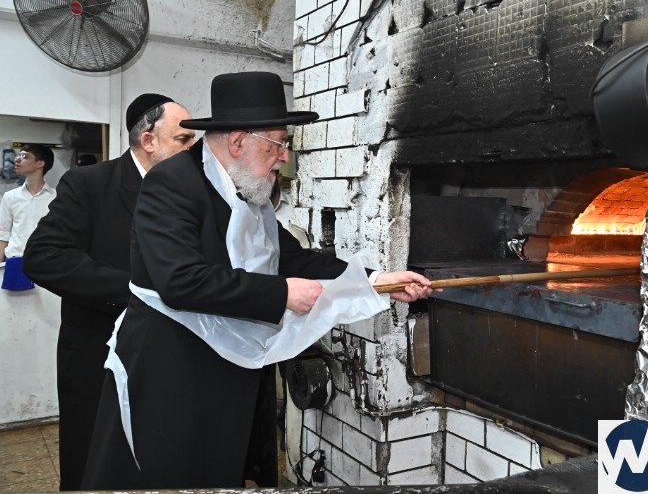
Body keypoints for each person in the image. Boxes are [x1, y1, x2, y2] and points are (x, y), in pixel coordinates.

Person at [81, 71, 434, 490]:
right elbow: (179, 280)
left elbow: (292, 258)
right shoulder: (171, 183)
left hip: (226, 364)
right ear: (238, 142)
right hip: (168, 366)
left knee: (216, 468)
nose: (284, 156)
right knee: (165, 471)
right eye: (278, 143)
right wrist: (282, 293)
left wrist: (376, 280)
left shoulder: (249, 189)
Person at [23, 94, 195, 491]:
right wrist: (137, 291)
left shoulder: (189, 191)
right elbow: (45, 257)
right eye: (183, 139)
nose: (193, 149)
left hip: (168, 358)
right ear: (149, 140)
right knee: (95, 465)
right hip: (99, 356)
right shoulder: (90, 184)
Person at [0, 145, 55, 290]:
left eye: (24, 156)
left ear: (40, 163)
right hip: (16, 262)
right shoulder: (10, 197)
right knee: (12, 304)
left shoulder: (56, 198)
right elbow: (3, 234)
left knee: (48, 303)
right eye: (19, 155)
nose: (17, 159)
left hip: (48, 262)